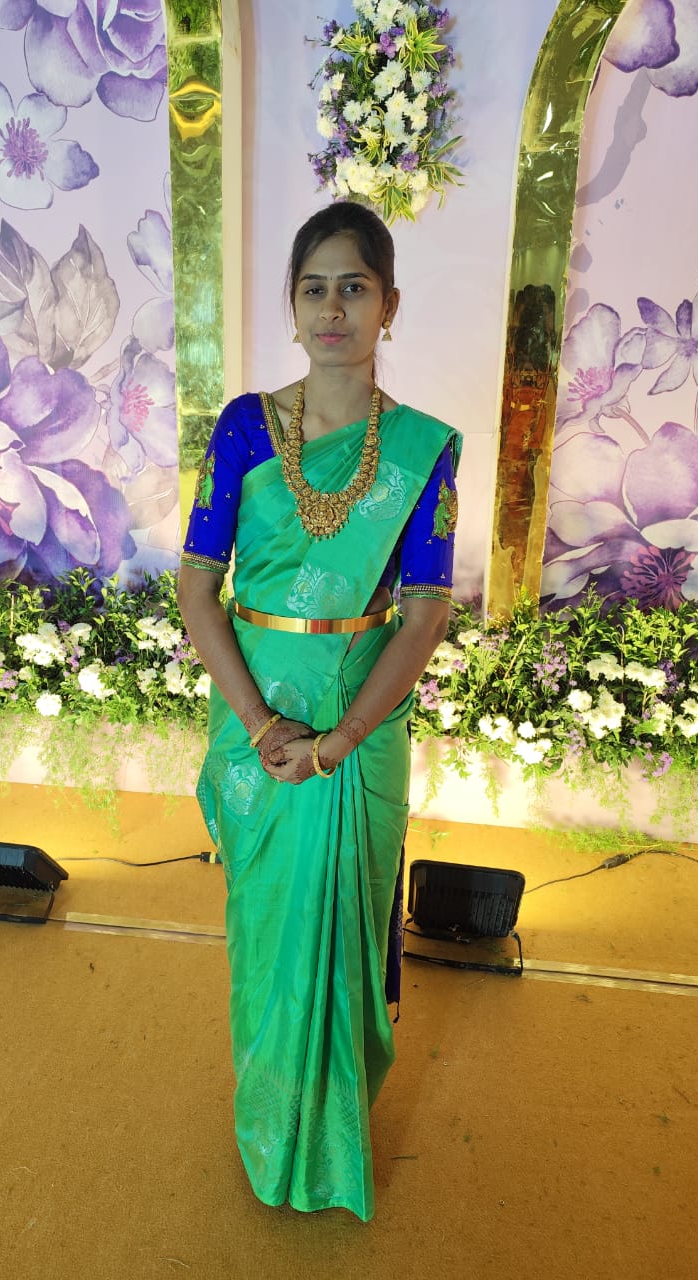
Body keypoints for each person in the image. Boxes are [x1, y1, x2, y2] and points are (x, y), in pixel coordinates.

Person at [177, 201, 461, 1222]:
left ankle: (333, 1146)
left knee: (345, 940)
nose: (333, 307)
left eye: (354, 287)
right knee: (266, 941)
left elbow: (424, 614)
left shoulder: (424, 448)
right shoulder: (244, 426)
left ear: (390, 305)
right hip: (256, 728)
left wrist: (339, 741)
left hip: (360, 731)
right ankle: (270, 1130)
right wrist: (263, 727)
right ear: (291, 307)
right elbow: (198, 587)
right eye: (314, 288)